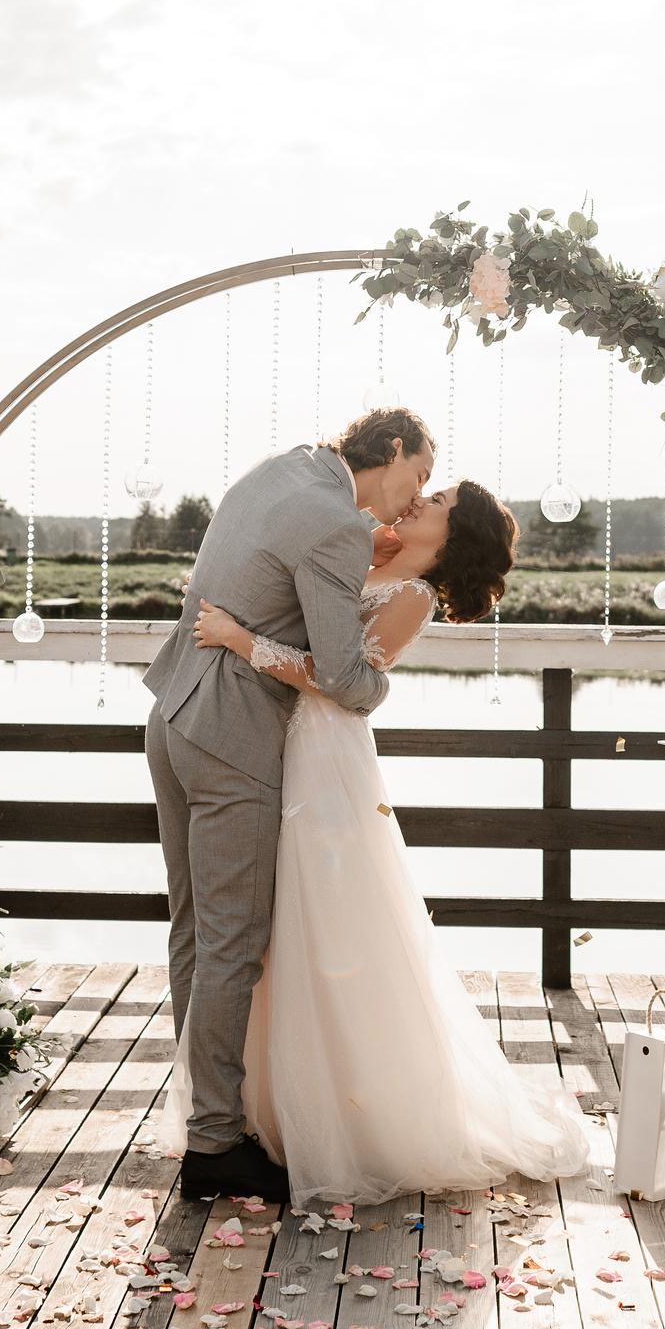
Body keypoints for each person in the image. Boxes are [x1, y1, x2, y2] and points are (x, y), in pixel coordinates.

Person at [171, 479, 592, 1201]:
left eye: (436, 503)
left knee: (329, 921)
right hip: (276, 743)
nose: (418, 502)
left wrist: (243, 642)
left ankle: (346, 1116)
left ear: (452, 535)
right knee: (266, 926)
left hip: (325, 754)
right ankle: (264, 1108)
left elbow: (338, 681)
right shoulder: (370, 556)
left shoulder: (413, 596)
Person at [140, 408, 432, 1202]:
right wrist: (381, 683)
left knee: (196, 928)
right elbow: (343, 675)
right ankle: (213, 1142)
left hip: (171, 714)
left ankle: (205, 1110)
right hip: (232, 730)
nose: (416, 496)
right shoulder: (336, 521)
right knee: (234, 939)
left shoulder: (282, 470)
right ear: (395, 448)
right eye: (420, 475)